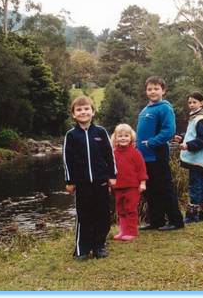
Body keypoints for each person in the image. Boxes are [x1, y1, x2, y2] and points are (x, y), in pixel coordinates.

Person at [63, 95, 117, 261]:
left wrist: (112, 175)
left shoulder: (101, 132)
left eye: (86, 109)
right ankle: (82, 248)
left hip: (101, 182)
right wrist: (69, 181)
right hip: (82, 184)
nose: (83, 112)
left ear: (93, 112)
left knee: (102, 215)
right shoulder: (71, 135)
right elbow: (67, 159)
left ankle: (99, 246)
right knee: (84, 216)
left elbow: (110, 155)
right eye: (79, 110)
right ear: (73, 114)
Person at [136, 76, 184, 231]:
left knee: (164, 187)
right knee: (150, 190)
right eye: (149, 89)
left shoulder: (164, 108)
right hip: (144, 156)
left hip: (157, 153)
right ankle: (156, 221)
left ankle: (176, 221)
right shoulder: (145, 109)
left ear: (163, 90)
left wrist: (152, 142)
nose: (152, 91)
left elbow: (169, 131)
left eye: (156, 88)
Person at [174, 92, 203, 223]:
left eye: (194, 102)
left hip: (198, 159)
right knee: (202, 185)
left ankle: (193, 215)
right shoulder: (196, 117)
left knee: (195, 185)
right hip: (200, 159)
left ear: (201, 103)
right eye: (189, 103)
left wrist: (187, 146)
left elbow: (202, 140)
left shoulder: (201, 119)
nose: (191, 105)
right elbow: (192, 134)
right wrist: (181, 137)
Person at [110, 124, 148, 241]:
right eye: (120, 136)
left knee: (130, 208)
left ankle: (132, 232)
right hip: (117, 187)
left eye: (126, 136)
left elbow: (141, 169)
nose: (123, 138)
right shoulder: (113, 153)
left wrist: (142, 183)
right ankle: (123, 231)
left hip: (132, 186)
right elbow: (110, 170)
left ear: (131, 138)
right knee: (120, 209)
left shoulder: (135, 153)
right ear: (115, 138)